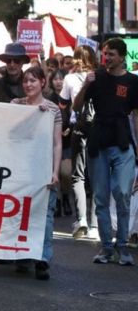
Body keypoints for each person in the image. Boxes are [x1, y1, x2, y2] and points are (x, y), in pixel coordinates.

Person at [73, 38, 138, 266]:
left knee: (122, 193)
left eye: (111, 54)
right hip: (98, 142)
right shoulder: (96, 77)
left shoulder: (132, 82)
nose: (106, 58)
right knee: (101, 198)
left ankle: (123, 246)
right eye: (105, 54)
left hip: (122, 144)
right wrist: (85, 85)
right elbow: (76, 106)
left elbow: (137, 118)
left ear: (122, 56)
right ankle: (106, 248)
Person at [11, 66, 62, 280]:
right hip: (20, 169)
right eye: (25, 81)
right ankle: (22, 256)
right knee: (20, 214)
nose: (28, 85)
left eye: (33, 80)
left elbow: (57, 143)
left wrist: (55, 172)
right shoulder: (15, 105)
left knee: (45, 216)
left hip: (42, 169)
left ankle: (42, 258)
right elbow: (8, 131)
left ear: (42, 82)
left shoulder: (52, 109)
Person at [59, 45, 99, 239]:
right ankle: (96, 225)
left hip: (80, 129)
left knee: (79, 176)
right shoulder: (101, 76)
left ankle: (82, 219)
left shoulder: (69, 78)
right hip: (99, 131)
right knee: (98, 177)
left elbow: (63, 104)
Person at [47, 69, 73, 217]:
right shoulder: (49, 99)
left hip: (68, 143)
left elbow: (77, 116)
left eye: (61, 79)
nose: (58, 82)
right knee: (53, 173)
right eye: (55, 79)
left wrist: (70, 128)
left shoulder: (71, 97)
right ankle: (56, 201)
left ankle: (65, 198)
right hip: (52, 142)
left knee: (66, 173)